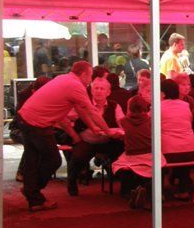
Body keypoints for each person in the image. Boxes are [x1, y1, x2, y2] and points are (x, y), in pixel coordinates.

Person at [17, 61, 112, 210]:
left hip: (26, 118)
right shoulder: (75, 86)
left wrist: (93, 127)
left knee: (32, 160)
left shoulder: (63, 78)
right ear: (84, 74)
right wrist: (108, 131)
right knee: (53, 160)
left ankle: (33, 198)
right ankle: (33, 191)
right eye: (90, 76)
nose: (91, 80)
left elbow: (80, 109)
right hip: (38, 123)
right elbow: (91, 111)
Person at [67, 77, 125, 196]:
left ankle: (125, 186)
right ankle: (72, 183)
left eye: (102, 89)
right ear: (91, 91)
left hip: (108, 141)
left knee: (124, 149)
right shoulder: (83, 104)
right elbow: (68, 118)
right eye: (96, 88)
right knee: (77, 157)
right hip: (87, 141)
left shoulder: (115, 106)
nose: (98, 91)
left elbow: (122, 124)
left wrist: (119, 132)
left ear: (108, 92)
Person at [112, 95, 159, 206]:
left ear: (129, 107)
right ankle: (148, 189)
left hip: (132, 155)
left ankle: (127, 191)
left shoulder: (123, 121)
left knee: (118, 164)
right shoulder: (151, 120)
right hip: (150, 155)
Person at [160, 79, 194, 200]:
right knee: (182, 162)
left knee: (156, 158)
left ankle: (159, 193)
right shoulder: (185, 105)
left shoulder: (158, 107)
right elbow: (190, 121)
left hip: (168, 153)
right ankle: (183, 190)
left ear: (162, 93)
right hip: (191, 150)